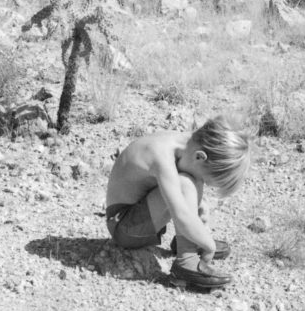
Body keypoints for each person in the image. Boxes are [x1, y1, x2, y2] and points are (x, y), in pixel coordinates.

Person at [105, 116, 250, 289]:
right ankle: (186, 261)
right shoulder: (160, 155)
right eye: (206, 180)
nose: (203, 184)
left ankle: (187, 241)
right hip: (124, 228)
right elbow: (180, 214)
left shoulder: (185, 144)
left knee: (191, 180)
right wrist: (208, 244)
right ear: (200, 157)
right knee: (186, 182)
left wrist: (198, 209)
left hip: (138, 217)